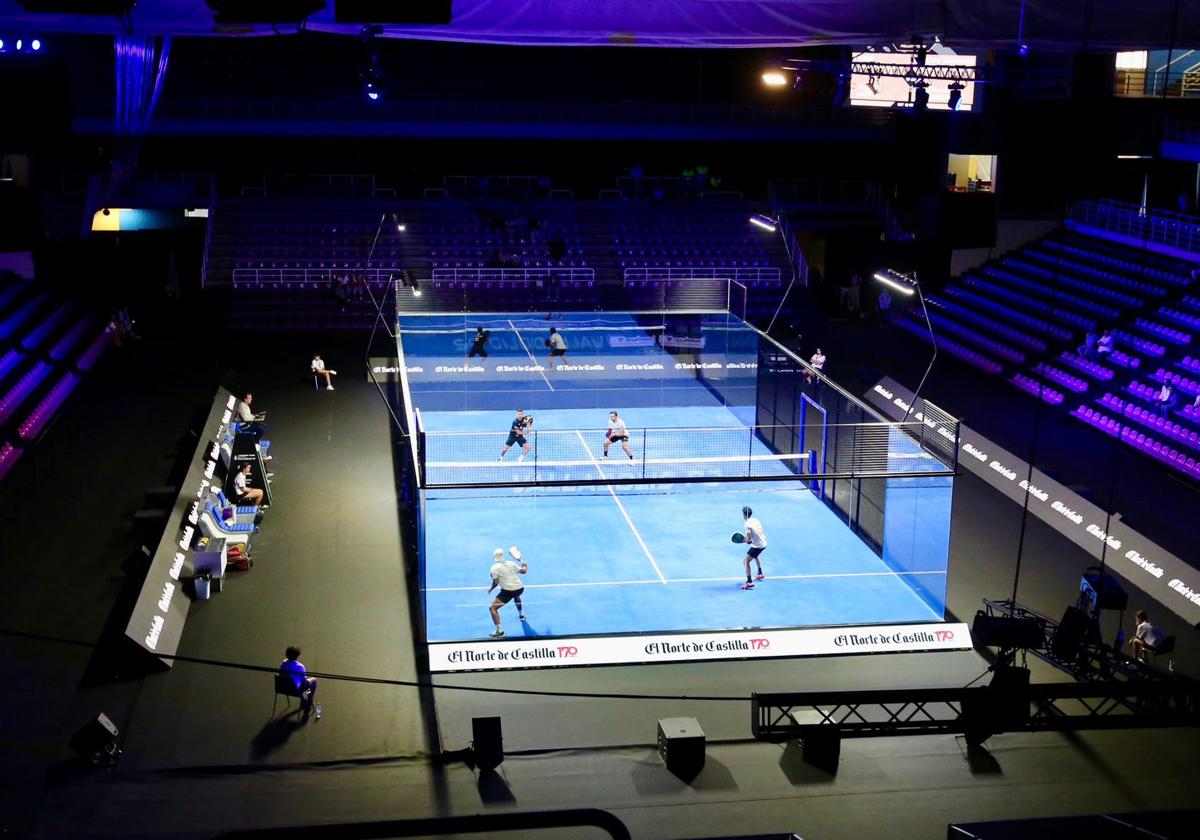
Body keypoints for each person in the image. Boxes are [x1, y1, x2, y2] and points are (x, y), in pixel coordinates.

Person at [488, 547, 528, 638]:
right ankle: (521, 614)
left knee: (492, 608)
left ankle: (500, 632)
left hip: (509, 592)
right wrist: (524, 564)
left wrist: (491, 588)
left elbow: (496, 582)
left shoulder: (494, 568)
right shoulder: (511, 563)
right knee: (516, 595)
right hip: (520, 588)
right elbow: (524, 571)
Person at [279, 645, 321, 720]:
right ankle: (308, 701)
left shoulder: (283, 664)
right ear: (297, 656)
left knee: (307, 686)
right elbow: (304, 680)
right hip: (296, 691)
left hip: (283, 688)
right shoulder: (300, 666)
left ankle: (306, 699)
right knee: (313, 681)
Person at [738, 506, 768, 590]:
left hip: (757, 546)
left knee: (746, 561)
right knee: (755, 555)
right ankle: (760, 573)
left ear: (744, 515)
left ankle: (749, 582)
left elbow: (749, 540)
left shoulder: (746, 525)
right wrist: (748, 540)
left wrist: (742, 541)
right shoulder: (756, 520)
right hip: (764, 542)